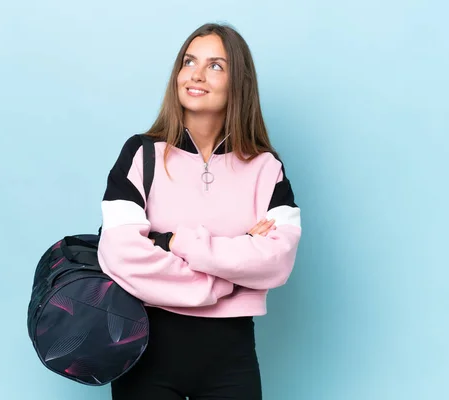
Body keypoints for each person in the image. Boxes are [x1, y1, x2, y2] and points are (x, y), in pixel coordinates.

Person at [97, 22, 301, 400]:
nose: (196, 74)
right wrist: (232, 269)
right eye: (189, 61)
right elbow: (120, 253)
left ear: (238, 82)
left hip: (232, 357)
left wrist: (171, 241)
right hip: (145, 350)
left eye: (216, 66)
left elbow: (277, 261)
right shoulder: (141, 154)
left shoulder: (265, 166)